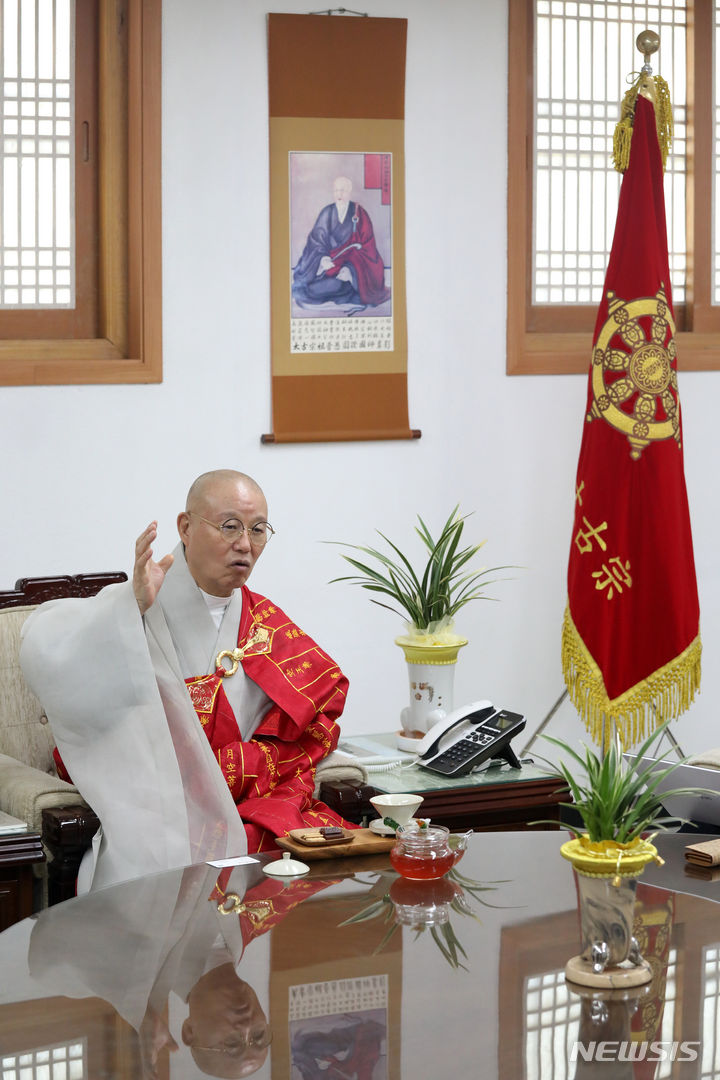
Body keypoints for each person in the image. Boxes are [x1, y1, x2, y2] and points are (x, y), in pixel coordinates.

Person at [20, 470, 357, 891]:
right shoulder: (140, 603)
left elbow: (318, 708)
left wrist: (247, 765)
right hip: (159, 805)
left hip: (249, 800)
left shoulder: (264, 621)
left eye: (258, 530)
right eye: (230, 526)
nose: (245, 545)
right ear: (185, 527)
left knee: (306, 862)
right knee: (165, 876)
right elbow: (45, 648)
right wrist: (130, 606)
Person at [292, 176, 391, 310]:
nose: (339, 194)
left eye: (343, 190)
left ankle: (348, 287)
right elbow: (316, 241)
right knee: (312, 289)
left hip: (350, 271)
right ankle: (343, 290)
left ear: (349, 192)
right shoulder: (327, 212)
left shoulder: (359, 213)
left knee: (336, 285)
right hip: (328, 268)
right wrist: (322, 259)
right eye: (336, 190)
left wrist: (350, 270)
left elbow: (367, 247)